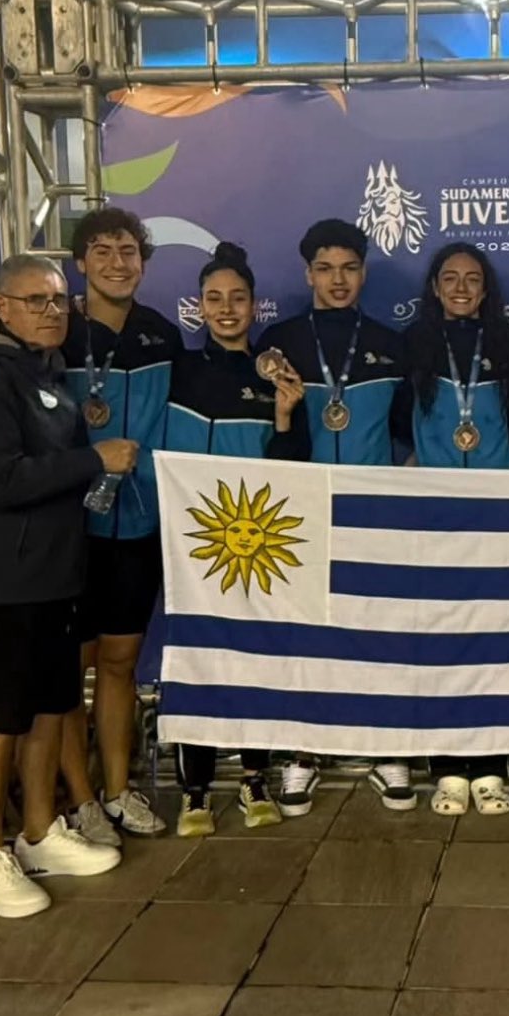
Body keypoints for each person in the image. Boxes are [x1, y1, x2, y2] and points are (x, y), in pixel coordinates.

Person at [0, 254, 132, 917]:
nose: (53, 312)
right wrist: (93, 460)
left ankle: (39, 832)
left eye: (59, 301)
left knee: (52, 707)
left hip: (56, 574)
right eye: (36, 301)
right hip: (2, 580)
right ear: (2, 307)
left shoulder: (48, 371)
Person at [257, 219, 407, 814]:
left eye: (348, 267)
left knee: (377, 629)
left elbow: (408, 433)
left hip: (374, 511)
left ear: (364, 272)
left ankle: (385, 744)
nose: (337, 279)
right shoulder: (280, 341)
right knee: (305, 632)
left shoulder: (391, 343)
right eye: (325, 268)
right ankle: (302, 753)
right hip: (303, 508)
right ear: (307, 274)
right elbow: (272, 425)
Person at [164, 242, 310, 836]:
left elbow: (292, 465)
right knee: (196, 661)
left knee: (255, 663)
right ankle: (195, 792)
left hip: (253, 548)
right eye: (214, 298)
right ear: (198, 306)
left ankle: (254, 778)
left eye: (238, 298)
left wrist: (282, 416)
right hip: (187, 549)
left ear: (255, 306)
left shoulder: (275, 375)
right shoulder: (176, 369)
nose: (226, 309)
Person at [59, 208, 183, 844]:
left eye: (129, 251)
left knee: (120, 662)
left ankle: (115, 790)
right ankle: (75, 797)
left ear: (143, 261)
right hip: (65, 528)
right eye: (102, 251)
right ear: (80, 263)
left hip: (136, 525)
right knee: (65, 671)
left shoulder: (163, 335)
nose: (117, 261)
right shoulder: (53, 330)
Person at [396, 242, 509, 816]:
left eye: (472, 279)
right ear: (434, 287)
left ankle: (492, 767)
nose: (460, 287)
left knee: (492, 640)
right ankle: (447, 766)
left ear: (486, 289)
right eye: (449, 277)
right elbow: (397, 423)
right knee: (442, 639)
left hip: (496, 514)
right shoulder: (414, 345)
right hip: (436, 514)